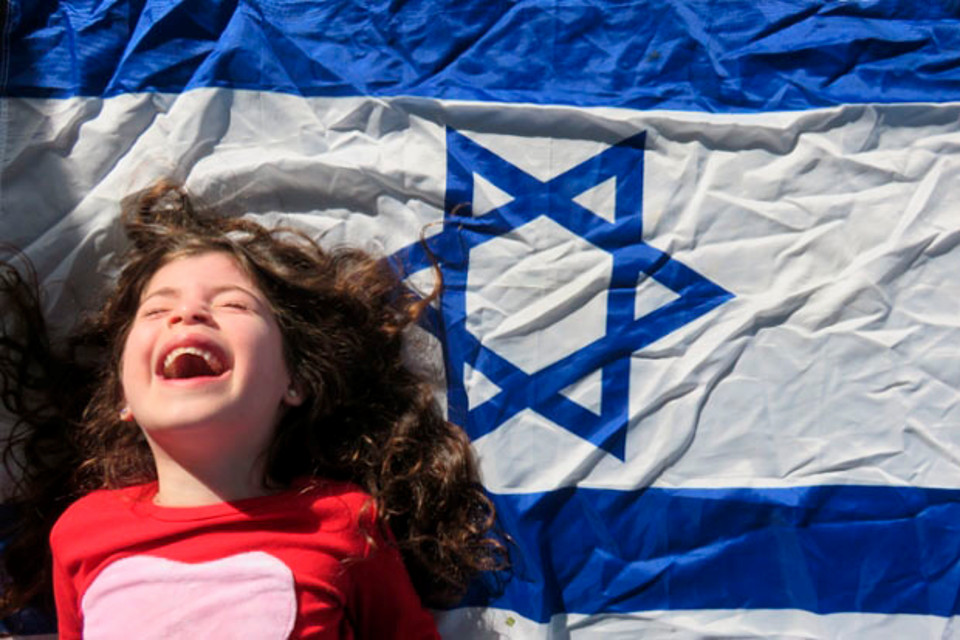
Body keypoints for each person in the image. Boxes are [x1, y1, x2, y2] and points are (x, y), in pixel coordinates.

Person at [0, 181, 506, 638]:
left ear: (295, 381)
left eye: (234, 305)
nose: (188, 313)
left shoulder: (345, 520)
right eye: (156, 310)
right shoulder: (80, 530)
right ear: (122, 399)